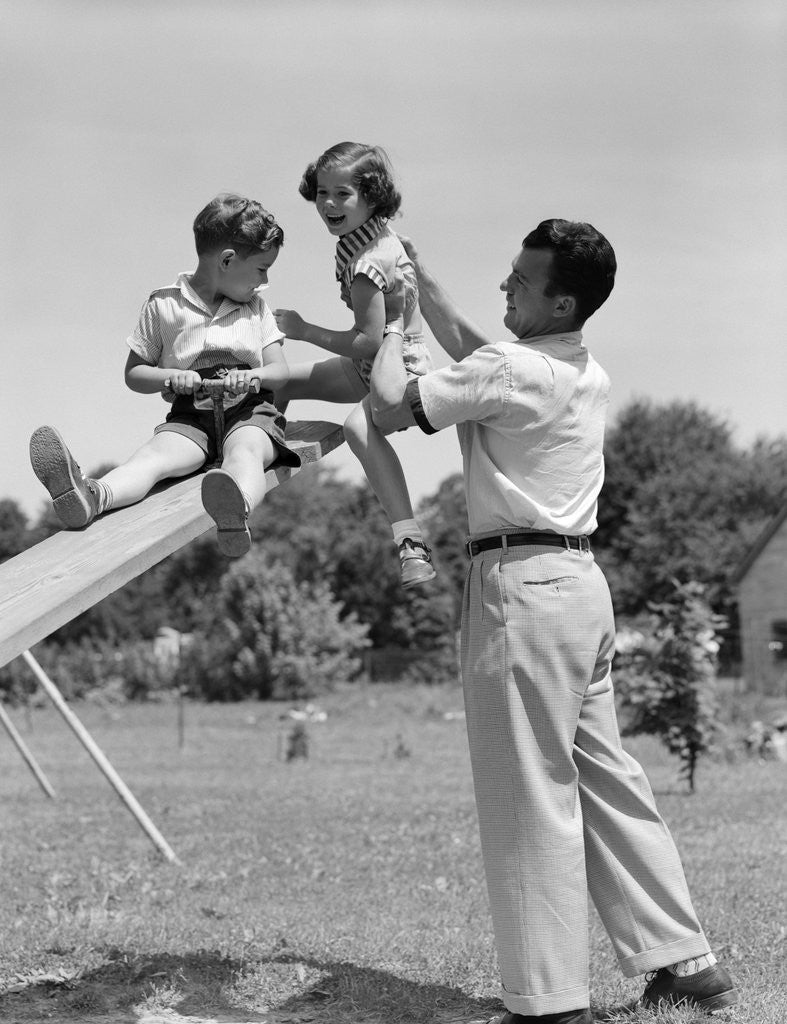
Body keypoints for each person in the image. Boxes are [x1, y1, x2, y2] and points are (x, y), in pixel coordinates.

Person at [370, 219, 739, 1024]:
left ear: (560, 299)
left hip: (520, 590)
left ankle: (545, 1003)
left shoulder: (508, 369)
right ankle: (684, 962)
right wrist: (423, 279)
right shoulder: (576, 367)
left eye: (519, 282)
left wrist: (391, 315)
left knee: (525, 795)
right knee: (607, 780)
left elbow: (392, 408)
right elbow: (484, 358)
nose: (504, 287)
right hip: (578, 586)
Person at [30, 193, 300, 557]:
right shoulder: (164, 305)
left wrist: (254, 377)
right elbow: (134, 374)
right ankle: (92, 496)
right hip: (191, 417)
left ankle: (236, 509)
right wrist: (170, 377)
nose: (263, 281)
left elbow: (280, 372)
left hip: (249, 413)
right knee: (153, 458)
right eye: (261, 269)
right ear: (227, 260)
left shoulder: (256, 309)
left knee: (247, 452)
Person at [272, 141, 435, 589]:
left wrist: (304, 330)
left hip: (397, 367)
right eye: (322, 192)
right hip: (372, 361)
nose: (328, 203)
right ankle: (252, 463)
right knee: (280, 384)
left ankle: (410, 542)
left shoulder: (367, 263)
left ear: (372, 196)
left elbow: (366, 342)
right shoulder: (366, 236)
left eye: (342, 194)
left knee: (357, 428)